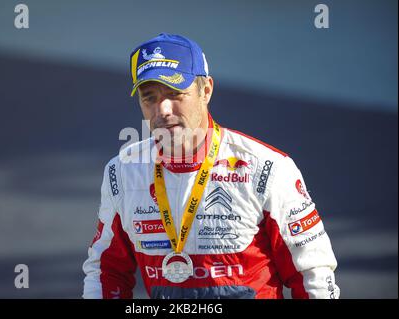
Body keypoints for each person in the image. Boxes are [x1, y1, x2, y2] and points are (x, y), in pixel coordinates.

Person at [82, 33, 340, 299]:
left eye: (175, 93)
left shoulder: (267, 168)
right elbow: (106, 270)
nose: (163, 109)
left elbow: (313, 274)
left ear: (206, 91)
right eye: (150, 98)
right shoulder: (122, 172)